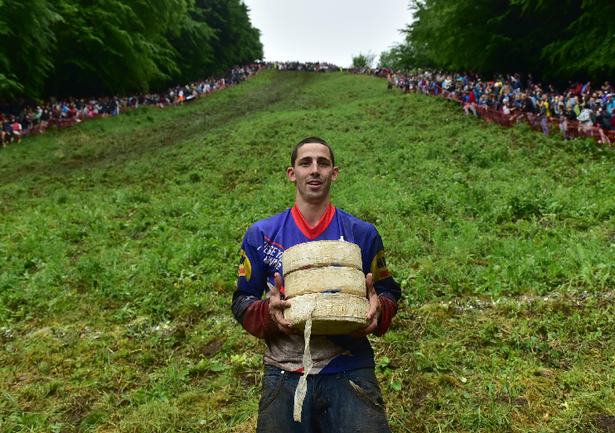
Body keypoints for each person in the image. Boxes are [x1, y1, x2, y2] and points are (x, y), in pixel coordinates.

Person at [232, 137, 401, 432]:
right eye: (305, 163)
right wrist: (268, 313)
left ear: (333, 173)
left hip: (350, 367)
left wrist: (378, 310)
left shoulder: (362, 233)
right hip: (284, 371)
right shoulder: (262, 235)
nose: (314, 170)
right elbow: (242, 300)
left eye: (323, 163)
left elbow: (388, 292)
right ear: (291, 173)